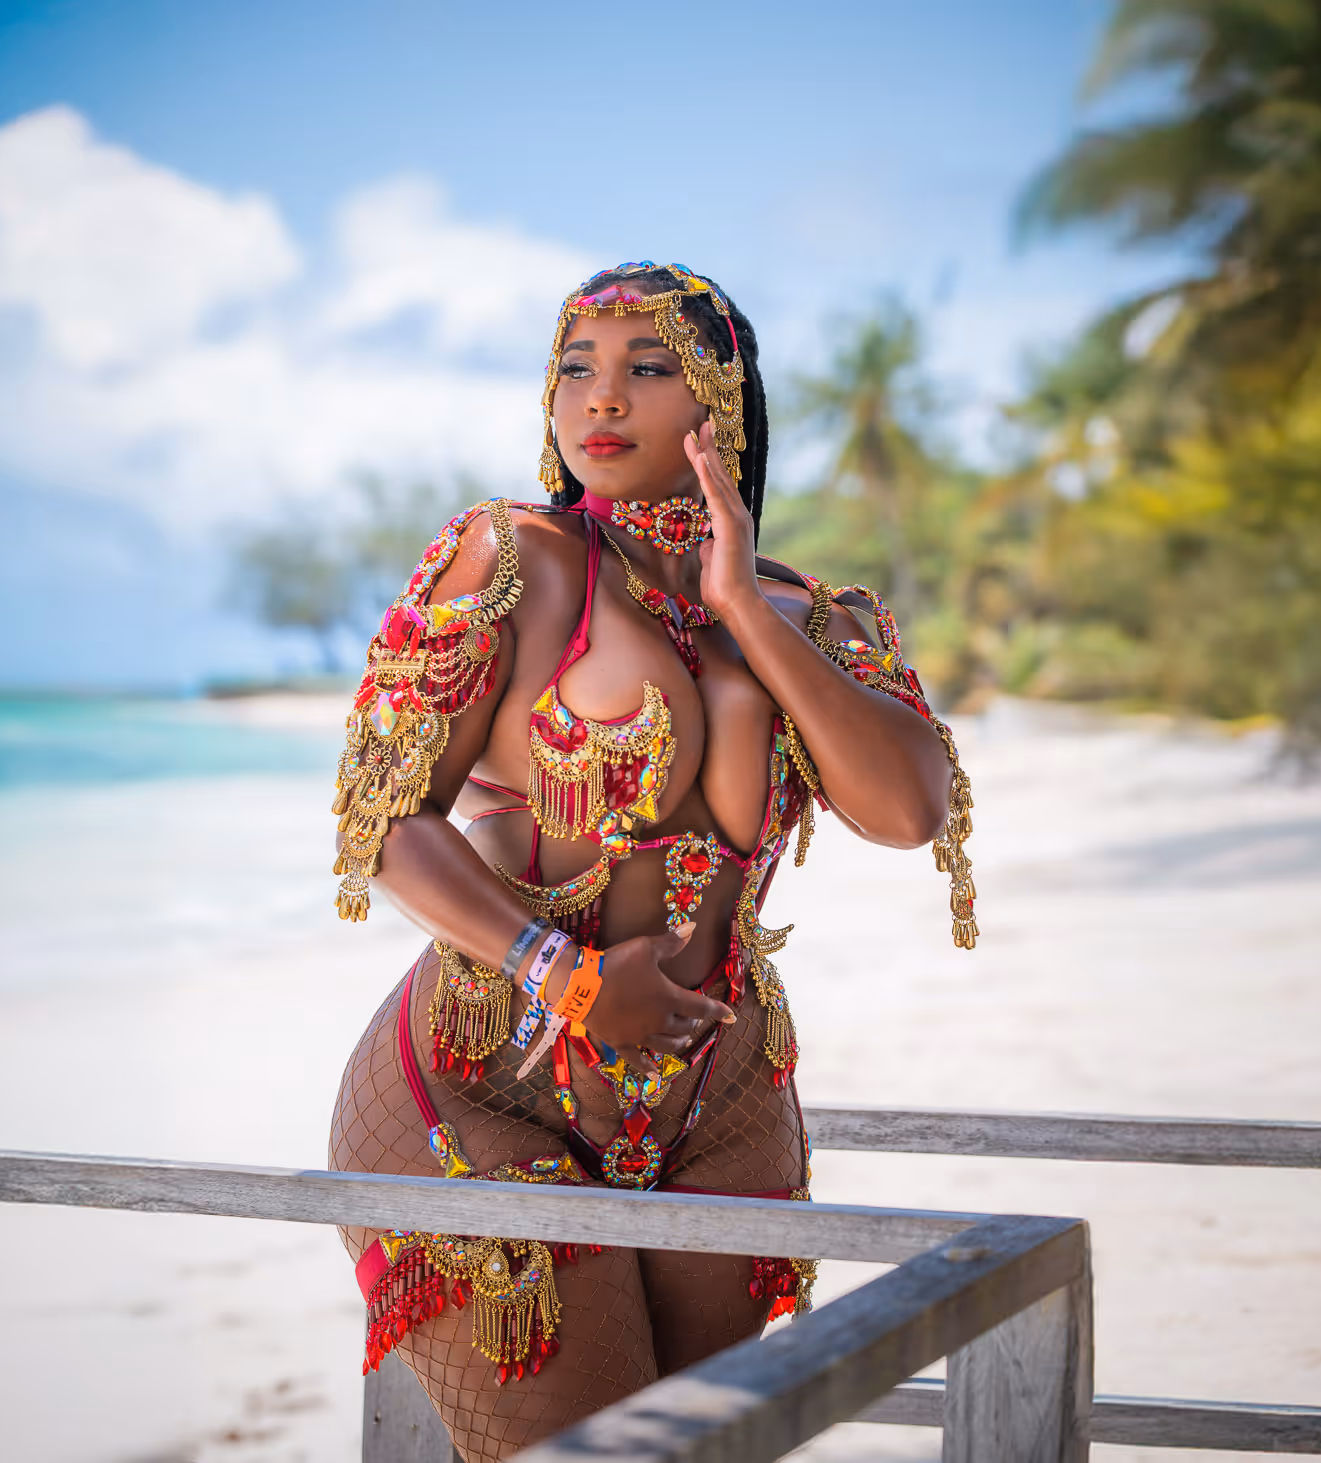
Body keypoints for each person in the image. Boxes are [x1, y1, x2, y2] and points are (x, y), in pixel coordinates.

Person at [327, 262, 977, 1460]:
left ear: (716, 405)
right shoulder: (508, 556)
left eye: (647, 366)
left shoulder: (814, 612)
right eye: (574, 367)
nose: (599, 399)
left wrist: (737, 605)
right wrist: (560, 976)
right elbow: (383, 821)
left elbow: (903, 810)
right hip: (488, 1076)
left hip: (720, 1102)